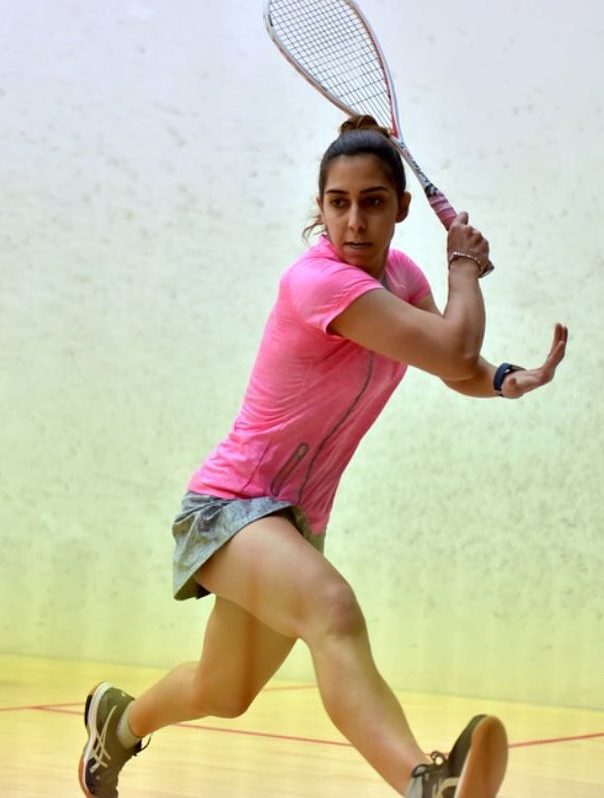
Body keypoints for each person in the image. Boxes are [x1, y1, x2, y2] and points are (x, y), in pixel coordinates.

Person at [79, 115, 568, 798]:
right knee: (333, 610)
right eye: (339, 203)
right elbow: (453, 345)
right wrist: (464, 265)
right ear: (321, 207)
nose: (355, 221)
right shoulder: (319, 283)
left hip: (295, 522)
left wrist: (504, 379)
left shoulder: (399, 276)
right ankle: (425, 784)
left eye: (373, 202)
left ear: (401, 208)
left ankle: (118, 725)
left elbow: (453, 362)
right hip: (229, 506)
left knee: (224, 689)